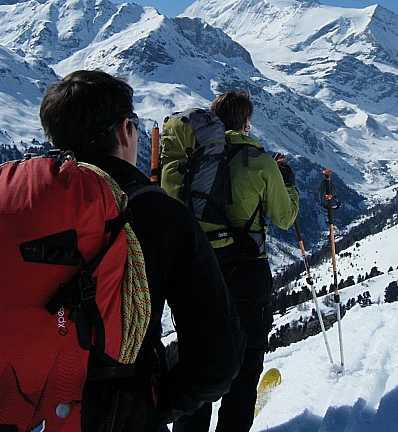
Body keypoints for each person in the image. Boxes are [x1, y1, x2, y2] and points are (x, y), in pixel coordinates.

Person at [39, 70, 245, 430]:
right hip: (116, 414)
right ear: (125, 131)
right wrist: (149, 407)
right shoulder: (157, 214)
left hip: (16, 409)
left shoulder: (18, 205)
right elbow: (218, 358)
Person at [173, 90, 299, 432]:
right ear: (246, 121)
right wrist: (288, 185)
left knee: (198, 363)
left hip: (199, 274)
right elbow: (285, 217)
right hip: (246, 274)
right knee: (245, 367)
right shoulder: (258, 160)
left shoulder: (194, 158)